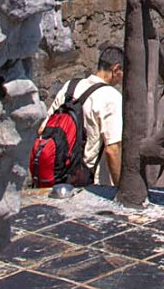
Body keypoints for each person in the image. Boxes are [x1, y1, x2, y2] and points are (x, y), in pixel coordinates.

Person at [52, 47, 128, 186]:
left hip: (55, 173)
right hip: (86, 181)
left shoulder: (70, 86)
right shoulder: (112, 97)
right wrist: (119, 188)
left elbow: (43, 128)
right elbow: (112, 150)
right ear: (116, 69)